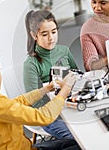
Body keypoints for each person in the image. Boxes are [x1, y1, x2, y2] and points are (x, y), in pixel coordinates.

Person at [0, 43, 80, 150]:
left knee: (77, 141)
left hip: (30, 146)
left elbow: (16, 104)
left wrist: (45, 89)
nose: (0, 73)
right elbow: (43, 117)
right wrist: (66, 88)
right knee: (83, 144)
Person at [23, 10, 78, 139]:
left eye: (54, 32)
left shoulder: (64, 51)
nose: (51, 38)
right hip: (47, 115)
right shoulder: (31, 64)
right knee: (76, 137)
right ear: (34, 35)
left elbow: (78, 76)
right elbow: (34, 103)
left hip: (70, 105)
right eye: (44, 34)